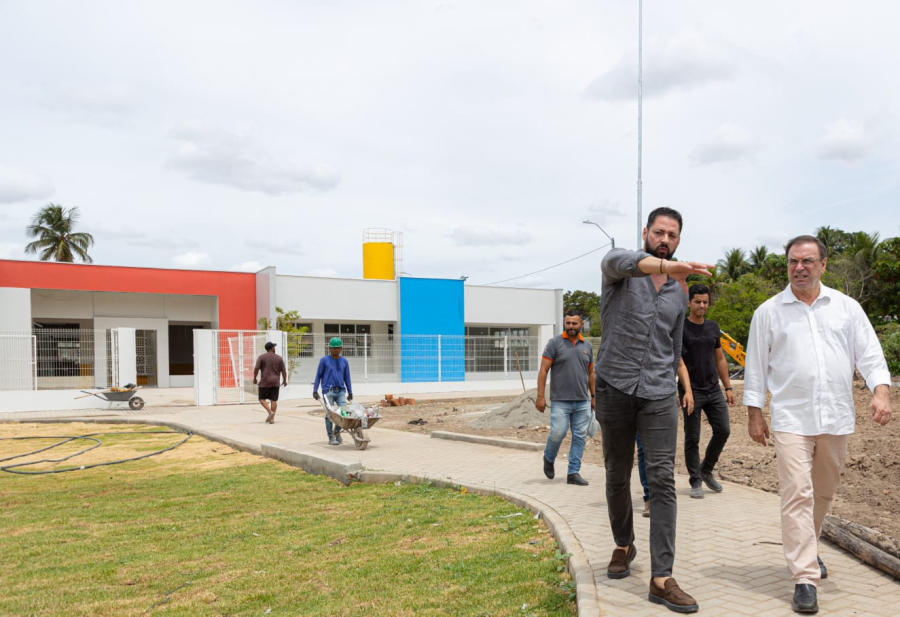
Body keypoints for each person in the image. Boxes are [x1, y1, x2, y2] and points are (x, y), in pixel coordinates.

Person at [744, 235, 892, 614]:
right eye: (793, 261)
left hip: (836, 415)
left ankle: (806, 549)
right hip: (791, 417)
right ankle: (804, 577)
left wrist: (881, 392)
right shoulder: (769, 312)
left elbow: (870, 354)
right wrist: (754, 412)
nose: (800, 268)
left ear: (823, 264)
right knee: (797, 492)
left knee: (822, 492)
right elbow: (756, 366)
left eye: (808, 261)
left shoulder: (847, 308)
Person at [594, 206, 712, 613]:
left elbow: (674, 345)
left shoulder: (680, 293)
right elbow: (626, 261)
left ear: (680, 239)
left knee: (662, 479)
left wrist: (682, 387)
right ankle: (624, 544)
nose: (665, 238)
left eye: (672, 235)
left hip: (659, 393)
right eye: (659, 232)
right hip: (614, 386)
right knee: (616, 472)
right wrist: (666, 264)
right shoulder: (619, 269)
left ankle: (662, 577)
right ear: (646, 232)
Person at [679, 283, 735, 499]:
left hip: (713, 390)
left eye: (705, 302)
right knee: (692, 437)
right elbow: (678, 361)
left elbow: (719, 358)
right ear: (689, 303)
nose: (702, 305)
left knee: (723, 430)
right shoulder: (681, 328)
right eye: (697, 302)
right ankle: (695, 481)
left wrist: (728, 387)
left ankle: (706, 469)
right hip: (690, 392)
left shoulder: (713, 327)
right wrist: (686, 390)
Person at [536, 310, 595, 486]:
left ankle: (573, 473)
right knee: (558, 432)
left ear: (581, 325)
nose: (570, 326)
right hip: (560, 400)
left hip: (582, 401)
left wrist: (593, 396)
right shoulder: (555, 343)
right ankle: (549, 457)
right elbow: (544, 370)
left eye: (574, 323)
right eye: (568, 323)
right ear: (564, 323)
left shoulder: (588, 346)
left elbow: (591, 373)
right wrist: (540, 396)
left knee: (579, 437)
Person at [313, 337, 354, 446]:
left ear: (341, 348)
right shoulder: (324, 361)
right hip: (328, 391)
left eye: (338, 348)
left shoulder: (344, 361)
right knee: (329, 415)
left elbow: (347, 377)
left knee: (343, 413)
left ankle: (337, 432)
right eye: (334, 348)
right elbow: (318, 376)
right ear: (329, 348)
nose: (336, 350)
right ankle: (330, 436)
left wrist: (350, 392)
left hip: (340, 391)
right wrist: (315, 390)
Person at [253, 341, 287, 424]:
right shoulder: (279, 358)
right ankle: (272, 419)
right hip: (275, 381)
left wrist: (254, 378)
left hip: (265, 381)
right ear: (272, 348)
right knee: (273, 400)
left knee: (261, 398)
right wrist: (284, 380)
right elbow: (283, 371)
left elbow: (256, 368)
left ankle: (270, 412)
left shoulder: (261, 357)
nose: (274, 348)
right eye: (274, 347)